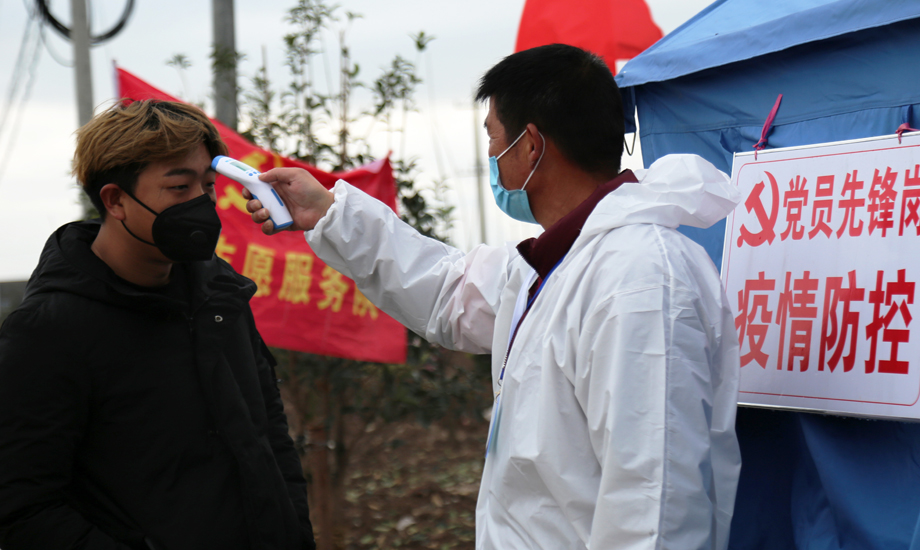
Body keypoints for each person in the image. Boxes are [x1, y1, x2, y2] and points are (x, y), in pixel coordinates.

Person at [247, 44, 742, 549]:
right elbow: (446, 290)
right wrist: (331, 213)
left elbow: (656, 508)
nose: (489, 155)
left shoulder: (641, 281)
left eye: (492, 136)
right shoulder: (555, 264)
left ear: (531, 146)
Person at [0, 100, 316, 550]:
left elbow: (270, 439)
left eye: (208, 186)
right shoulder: (48, 331)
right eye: (179, 187)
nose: (202, 204)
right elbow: (23, 509)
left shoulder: (222, 297)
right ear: (115, 200)